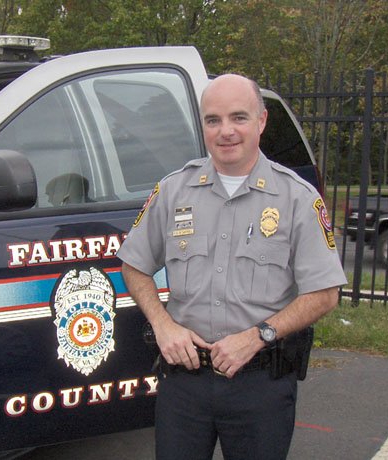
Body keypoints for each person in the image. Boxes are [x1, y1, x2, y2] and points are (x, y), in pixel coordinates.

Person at [117, 74, 347, 460]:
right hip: (184, 384)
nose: (226, 131)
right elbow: (134, 265)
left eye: (239, 118)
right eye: (213, 120)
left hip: (260, 384)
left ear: (261, 121)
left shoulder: (297, 199)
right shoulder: (174, 191)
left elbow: (325, 294)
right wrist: (163, 324)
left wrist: (259, 335)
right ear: (202, 125)